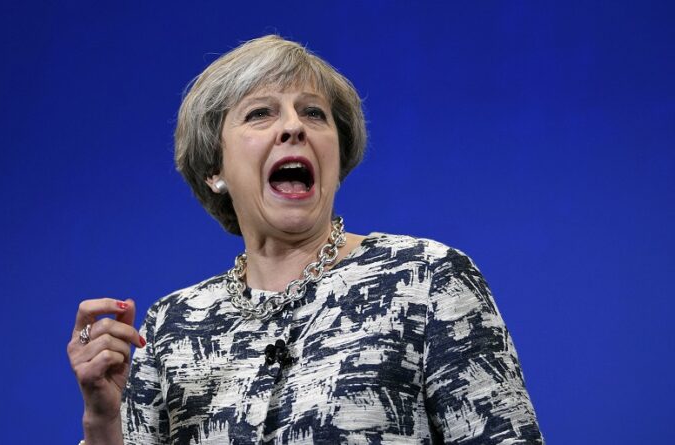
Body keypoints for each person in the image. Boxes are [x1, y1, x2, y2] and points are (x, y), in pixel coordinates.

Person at [67, 35, 543, 444]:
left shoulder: (426, 279)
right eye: (260, 114)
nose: (293, 126)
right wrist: (103, 422)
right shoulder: (173, 327)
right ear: (215, 170)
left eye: (313, 113)